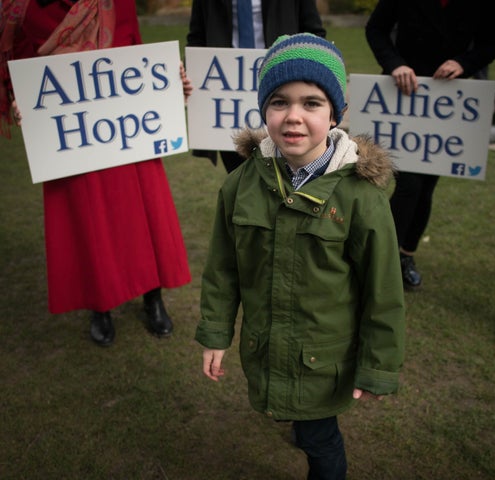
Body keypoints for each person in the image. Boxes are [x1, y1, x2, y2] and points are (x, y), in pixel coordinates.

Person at [195, 33, 406, 479]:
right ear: (263, 110)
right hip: (268, 346)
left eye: (311, 102)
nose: (293, 116)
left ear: (335, 113)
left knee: (319, 439)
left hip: (322, 358)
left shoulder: (360, 198)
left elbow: (383, 290)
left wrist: (378, 366)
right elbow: (222, 269)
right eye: (279, 101)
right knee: (302, 420)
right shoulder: (240, 184)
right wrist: (215, 332)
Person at [0, 0, 192, 347]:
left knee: (141, 209)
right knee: (87, 219)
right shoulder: (24, 6)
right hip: (70, 129)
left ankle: (153, 296)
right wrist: (21, 98)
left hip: (126, 123)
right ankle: (99, 306)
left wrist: (164, 78)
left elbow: (133, 49)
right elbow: (23, 61)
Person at [365, 0, 495, 289]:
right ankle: (382, 260)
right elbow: (376, 29)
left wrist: (464, 63)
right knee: (409, 184)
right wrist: (395, 64)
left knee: (426, 186)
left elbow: (491, 44)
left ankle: (405, 255)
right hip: (401, 96)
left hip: (449, 102)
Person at [186, 0, 326, 173]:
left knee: (286, 171)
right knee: (239, 176)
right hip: (226, 93)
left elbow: (314, 32)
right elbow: (197, 36)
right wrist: (191, 74)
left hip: (283, 83)